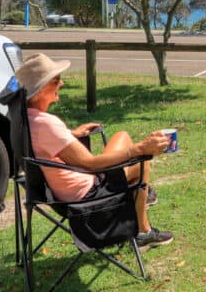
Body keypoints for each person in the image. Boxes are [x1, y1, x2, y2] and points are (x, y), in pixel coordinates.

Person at [18, 53, 175, 249]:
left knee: (122, 136)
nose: (62, 83)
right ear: (40, 91)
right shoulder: (47, 124)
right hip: (87, 194)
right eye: (56, 80)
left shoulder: (26, 119)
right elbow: (89, 164)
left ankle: (140, 196)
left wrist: (71, 135)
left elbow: (46, 143)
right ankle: (143, 231)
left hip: (58, 192)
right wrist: (140, 149)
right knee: (143, 162)